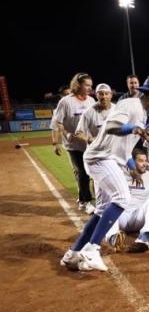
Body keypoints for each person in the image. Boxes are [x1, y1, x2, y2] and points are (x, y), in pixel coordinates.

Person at [60, 75, 149, 271]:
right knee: (122, 197)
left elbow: (124, 148)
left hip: (107, 159)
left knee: (101, 211)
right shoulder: (132, 105)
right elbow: (112, 127)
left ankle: (72, 254)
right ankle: (92, 249)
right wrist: (133, 128)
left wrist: (131, 166)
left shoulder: (142, 112)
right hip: (100, 158)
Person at [104, 147, 149, 252]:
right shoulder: (121, 175)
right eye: (140, 161)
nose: (144, 164)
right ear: (132, 162)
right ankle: (114, 239)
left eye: (145, 161)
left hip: (139, 217)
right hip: (121, 217)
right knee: (108, 203)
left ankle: (144, 238)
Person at [52, 72, 96, 213]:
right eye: (87, 85)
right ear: (78, 85)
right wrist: (65, 134)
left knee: (92, 173)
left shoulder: (91, 101)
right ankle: (85, 202)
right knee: (83, 173)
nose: (90, 88)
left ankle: (85, 198)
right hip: (73, 145)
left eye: (91, 85)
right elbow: (57, 122)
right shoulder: (65, 102)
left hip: (88, 144)